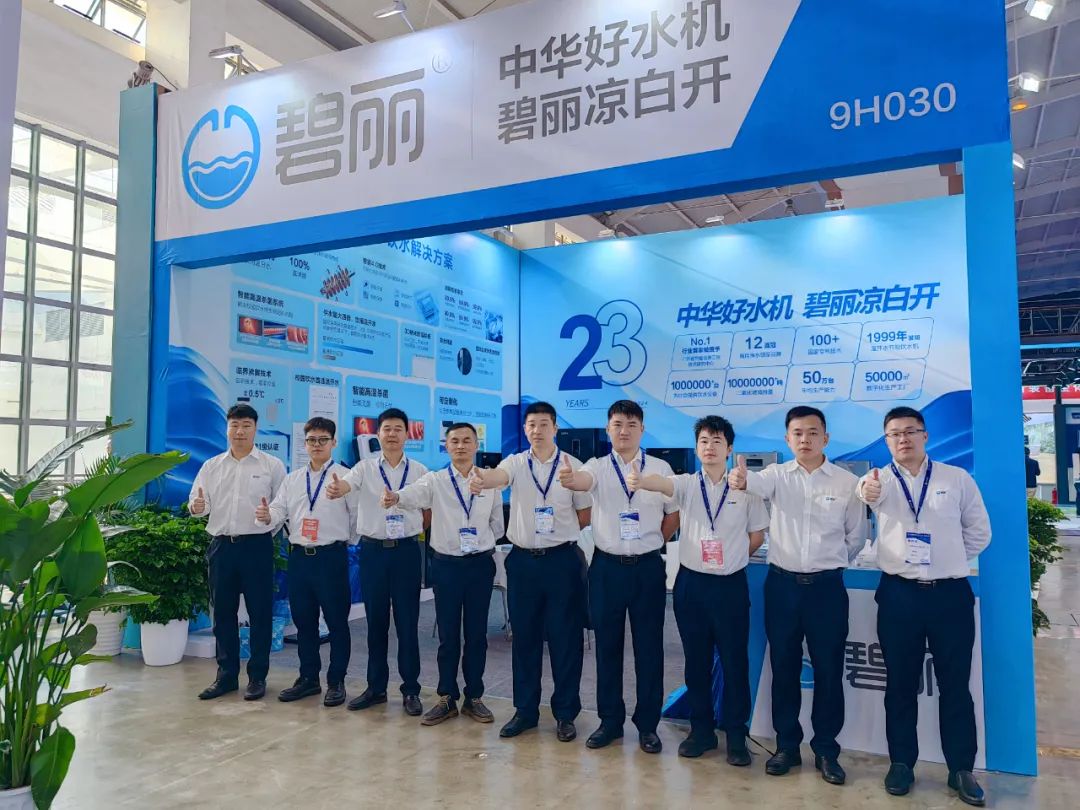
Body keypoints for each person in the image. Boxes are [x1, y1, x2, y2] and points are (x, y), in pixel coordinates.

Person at [858, 406, 991, 806]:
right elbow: (865, 495)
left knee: (956, 685)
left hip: (949, 595)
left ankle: (961, 768)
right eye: (894, 433)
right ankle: (902, 763)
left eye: (910, 431)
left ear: (925, 435)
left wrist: (946, 560)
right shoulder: (876, 481)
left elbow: (979, 532)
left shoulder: (956, 478)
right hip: (899, 595)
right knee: (900, 684)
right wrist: (867, 494)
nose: (903, 439)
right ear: (886, 441)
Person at [728, 406, 864, 784]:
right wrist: (740, 478)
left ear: (826, 438)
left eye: (813, 432)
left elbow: (856, 537)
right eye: (798, 433)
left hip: (826, 589)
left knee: (828, 669)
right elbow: (752, 485)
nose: (805, 440)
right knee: (784, 667)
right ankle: (787, 745)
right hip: (783, 586)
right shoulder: (775, 476)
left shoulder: (846, 482)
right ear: (788, 439)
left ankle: (826, 750)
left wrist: (826, 564)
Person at [629, 415, 768, 766]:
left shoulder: (746, 489)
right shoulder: (687, 484)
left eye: (717, 441)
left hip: (730, 586)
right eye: (704, 441)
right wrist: (641, 480)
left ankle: (736, 735)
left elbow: (757, 535)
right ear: (696, 447)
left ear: (729, 448)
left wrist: (733, 558)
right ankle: (701, 731)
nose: (709, 447)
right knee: (696, 662)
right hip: (691, 585)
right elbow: (662, 484)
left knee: (734, 663)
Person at [558, 400, 680, 754]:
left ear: (642, 429)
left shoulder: (660, 468)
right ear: (608, 429)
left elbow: (673, 514)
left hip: (647, 569)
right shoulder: (596, 466)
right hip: (607, 569)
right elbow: (582, 480)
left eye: (631, 424)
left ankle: (648, 725)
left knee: (649, 648)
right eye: (617, 424)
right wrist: (571, 479)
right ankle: (610, 721)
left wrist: (652, 543)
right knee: (607, 647)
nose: (623, 431)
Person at [470, 401, 591, 742]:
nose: (537, 430)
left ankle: (565, 714)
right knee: (524, 638)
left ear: (555, 428)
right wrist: (483, 478)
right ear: (525, 429)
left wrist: (557, 534)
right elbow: (499, 477)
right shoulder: (516, 462)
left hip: (562, 561)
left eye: (543, 424)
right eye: (531, 425)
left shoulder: (572, 466)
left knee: (566, 639)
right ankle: (525, 711)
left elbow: (585, 514)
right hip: (523, 562)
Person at [382, 422, 504, 726]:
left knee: (477, 635)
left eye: (466, 441)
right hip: (447, 566)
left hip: (479, 565)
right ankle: (446, 697)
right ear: (446, 446)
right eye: (455, 441)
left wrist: (478, 542)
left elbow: (497, 525)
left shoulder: (490, 482)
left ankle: (474, 697)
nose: (460, 446)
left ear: (476, 445)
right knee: (448, 636)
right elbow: (414, 494)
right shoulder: (435, 480)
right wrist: (395, 497)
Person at [326, 408, 430, 716]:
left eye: (398, 429)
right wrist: (338, 488)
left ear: (407, 434)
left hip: (406, 552)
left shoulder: (420, 470)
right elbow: (347, 484)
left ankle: (411, 690)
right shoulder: (364, 468)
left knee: (408, 623)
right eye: (387, 429)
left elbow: (428, 508)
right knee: (376, 624)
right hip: (373, 553)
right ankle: (376, 688)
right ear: (378, 433)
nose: (392, 434)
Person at [189, 403, 286, 702]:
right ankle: (226, 676)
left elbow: (282, 507)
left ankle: (257, 677)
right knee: (223, 614)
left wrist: (270, 517)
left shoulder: (271, 466)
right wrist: (197, 507)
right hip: (221, 547)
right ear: (227, 428)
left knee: (260, 614)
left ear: (255, 429)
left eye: (246, 425)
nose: (239, 431)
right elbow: (197, 502)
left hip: (257, 546)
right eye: (234, 425)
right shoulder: (212, 466)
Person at [258, 417, 356, 706]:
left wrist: (341, 542)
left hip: (331, 558)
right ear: (305, 443)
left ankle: (336, 681)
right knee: (304, 622)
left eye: (323, 439)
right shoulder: (293, 479)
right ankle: (308, 679)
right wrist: (268, 516)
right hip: (300, 558)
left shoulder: (346, 477)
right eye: (312, 440)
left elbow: (356, 518)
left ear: (333, 442)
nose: (317, 445)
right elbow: (279, 510)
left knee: (337, 622)